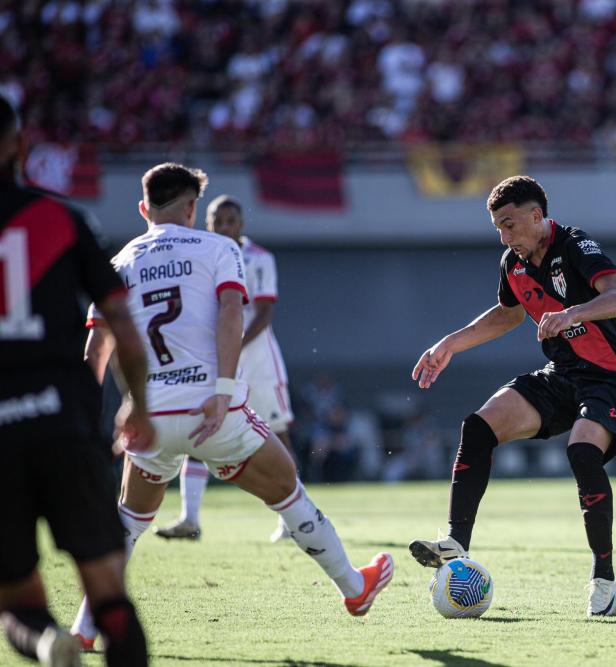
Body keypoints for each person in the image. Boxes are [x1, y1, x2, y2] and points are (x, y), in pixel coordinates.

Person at [70, 163, 392, 649]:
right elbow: (230, 313)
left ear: (143, 209)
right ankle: (354, 587)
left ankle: (84, 628)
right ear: (193, 209)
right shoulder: (219, 248)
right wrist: (221, 389)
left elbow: (96, 350)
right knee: (287, 489)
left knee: (131, 521)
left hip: (148, 417)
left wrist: (86, 425)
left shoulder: (117, 264)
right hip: (210, 409)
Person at [409, 175, 616, 617]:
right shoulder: (511, 264)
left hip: (608, 378)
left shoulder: (575, 245)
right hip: (560, 376)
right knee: (478, 428)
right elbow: (508, 315)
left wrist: (573, 312)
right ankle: (457, 541)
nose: (504, 235)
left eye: (510, 224)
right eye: (498, 226)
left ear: (537, 215)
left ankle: (603, 579)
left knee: (582, 454)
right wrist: (448, 344)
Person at [0, 95, 151, 667]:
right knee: (109, 592)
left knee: (16, 596)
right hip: (63, 420)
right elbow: (122, 327)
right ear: (18, 145)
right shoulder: (61, 219)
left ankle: (46, 642)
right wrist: (136, 402)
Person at [153, 194, 297, 542]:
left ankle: (293, 520)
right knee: (201, 428)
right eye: (218, 220)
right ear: (208, 223)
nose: (224, 227)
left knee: (278, 432)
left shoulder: (259, 258)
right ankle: (189, 518)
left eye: (230, 220)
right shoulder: (200, 254)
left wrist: (232, 347)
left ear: (241, 224)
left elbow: (263, 314)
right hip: (215, 359)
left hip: (257, 359)